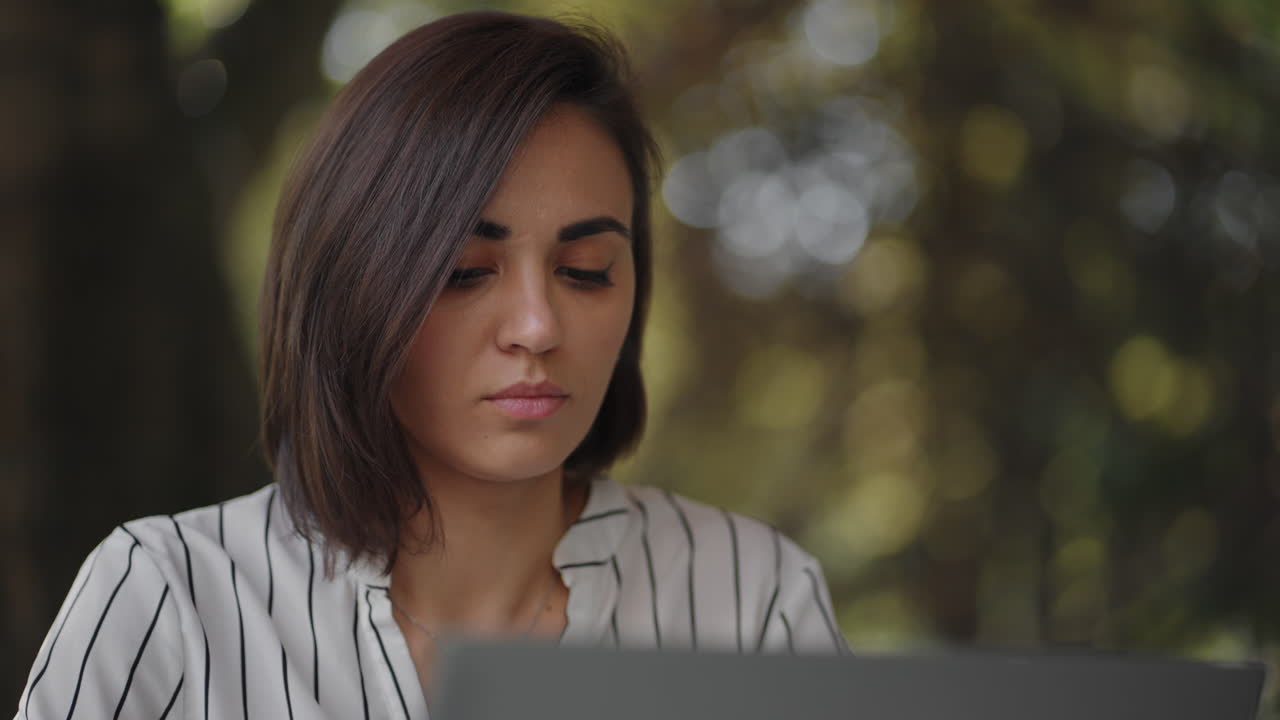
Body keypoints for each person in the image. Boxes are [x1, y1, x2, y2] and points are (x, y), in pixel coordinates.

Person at [18, 11, 846, 719]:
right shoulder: (169, 598)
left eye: (587, 270)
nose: (535, 326)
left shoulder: (752, 597)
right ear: (353, 286)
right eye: (463, 273)